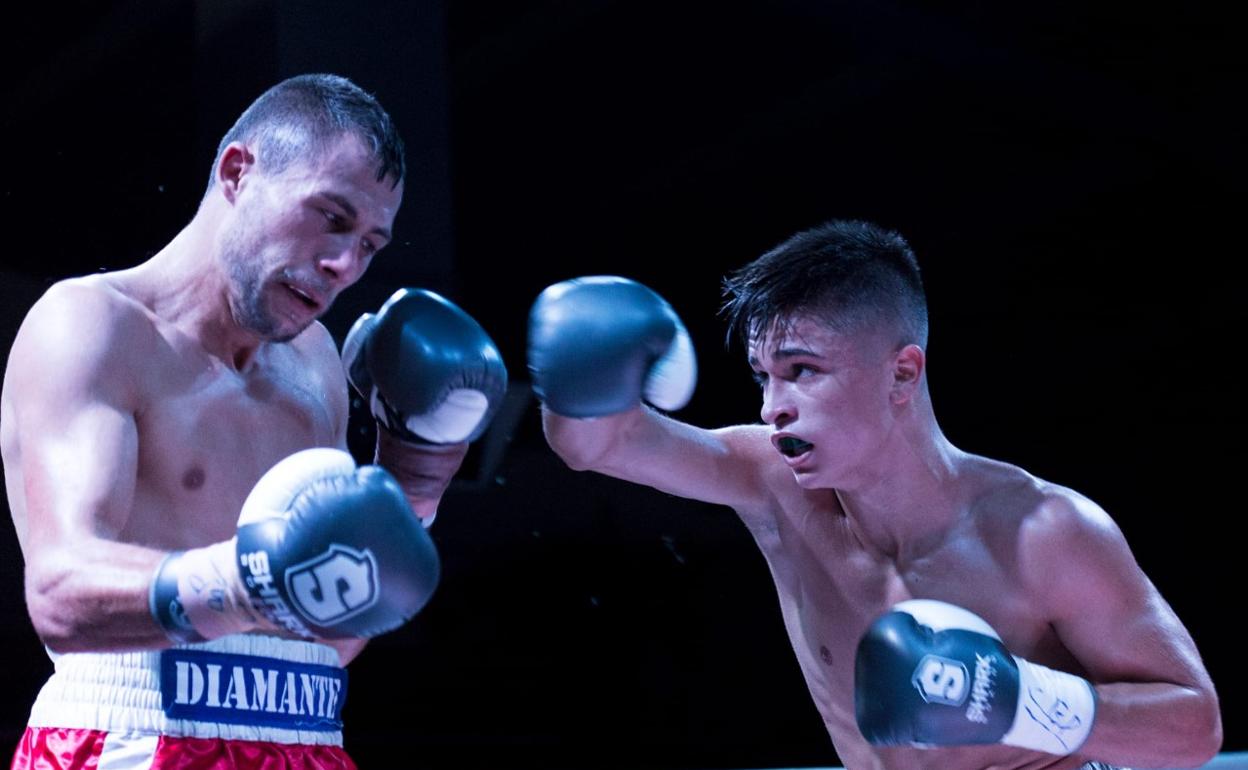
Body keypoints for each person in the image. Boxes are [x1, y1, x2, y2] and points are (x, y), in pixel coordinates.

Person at [527, 220, 1222, 770]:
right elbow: (595, 446)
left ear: (902, 373)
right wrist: (579, 363)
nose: (773, 407)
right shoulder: (770, 482)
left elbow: (1194, 728)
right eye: (763, 376)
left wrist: (1024, 703)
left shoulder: (1045, 531)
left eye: (801, 371)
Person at [0, 73, 507, 768]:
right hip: (131, 734)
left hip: (307, 738)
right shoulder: (94, 325)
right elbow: (60, 591)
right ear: (238, 171)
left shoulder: (316, 361)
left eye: (369, 245)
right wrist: (249, 581)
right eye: (332, 218)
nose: (343, 265)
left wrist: (413, 475)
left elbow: (328, 638)